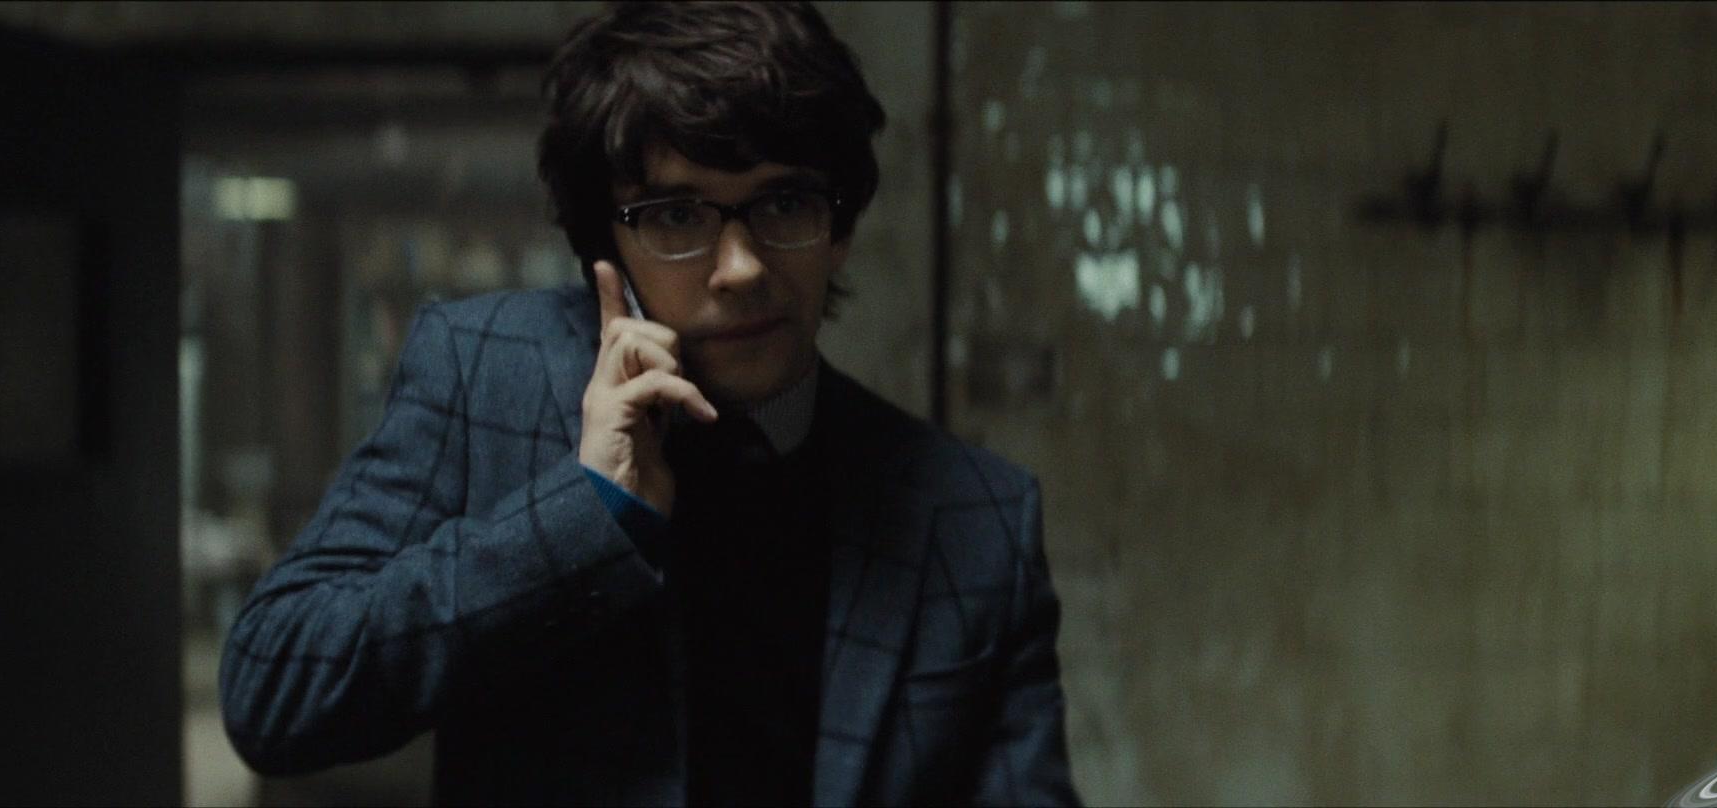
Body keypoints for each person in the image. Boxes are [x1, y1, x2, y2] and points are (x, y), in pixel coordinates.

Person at [218, 2, 1078, 805]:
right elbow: (274, 688)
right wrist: (585, 514)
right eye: (677, 215)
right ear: (606, 243)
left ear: (840, 228)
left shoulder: (975, 517)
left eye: (785, 203)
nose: (740, 268)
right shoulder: (485, 374)